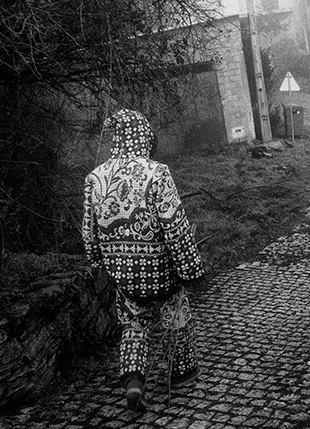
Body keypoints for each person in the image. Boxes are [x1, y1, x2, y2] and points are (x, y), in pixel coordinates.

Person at [82, 108, 204, 411]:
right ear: (144, 136)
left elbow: (89, 230)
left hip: (123, 273)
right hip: (160, 270)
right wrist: (190, 269)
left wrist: (98, 261)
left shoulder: (95, 177)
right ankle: (182, 372)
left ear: (117, 138)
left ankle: (134, 380)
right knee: (177, 314)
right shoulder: (156, 172)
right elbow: (173, 224)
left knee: (133, 323)